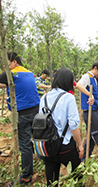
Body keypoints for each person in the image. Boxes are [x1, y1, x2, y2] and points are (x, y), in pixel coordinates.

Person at [0, 52, 40, 186]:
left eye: (7, 63)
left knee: (24, 145)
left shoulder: (10, 73)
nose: (6, 66)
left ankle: (26, 177)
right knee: (35, 138)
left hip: (22, 114)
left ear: (14, 62)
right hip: (36, 111)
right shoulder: (29, 73)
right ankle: (40, 159)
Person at [39, 67, 84, 186]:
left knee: (51, 180)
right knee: (78, 176)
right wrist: (79, 145)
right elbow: (73, 126)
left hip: (48, 147)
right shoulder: (69, 98)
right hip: (65, 147)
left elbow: (41, 121)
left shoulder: (44, 98)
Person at [76, 60, 98, 171]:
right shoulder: (87, 76)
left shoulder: (97, 79)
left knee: (91, 138)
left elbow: (97, 92)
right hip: (90, 112)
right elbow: (78, 85)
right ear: (95, 68)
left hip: (94, 110)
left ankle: (83, 162)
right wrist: (90, 94)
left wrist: (97, 96)